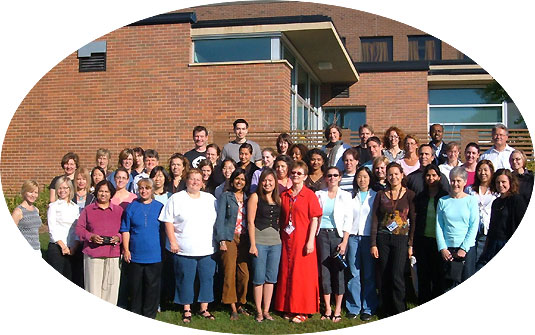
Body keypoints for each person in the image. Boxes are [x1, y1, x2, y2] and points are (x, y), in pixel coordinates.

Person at [159, 169, 218, 323]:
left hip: (207, 248)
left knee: (206, 278)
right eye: (192, 179)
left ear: (202, 182)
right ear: (186, 181)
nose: (195, 182)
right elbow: (168, 221)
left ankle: (204, 308)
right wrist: (172, 241)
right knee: (185, 279)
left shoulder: (210, 199)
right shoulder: (176, 198)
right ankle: (187, 309)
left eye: (198, 179)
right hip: (183, 248)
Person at [274, 160, 322, 323]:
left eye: (299, 173)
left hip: (303, 240)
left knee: (302, 276)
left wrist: (310, 241)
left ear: (305, 176)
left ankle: (302, 310)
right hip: (287, 240)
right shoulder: (284, 195)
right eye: (293, 173)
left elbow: (314, 219)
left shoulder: (310, 195)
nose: (295, 175)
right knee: (287, 273)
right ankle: (287, 306)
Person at [370, 162, 416, 316]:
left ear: (402, 175)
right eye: (390, 174)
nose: (393, 177)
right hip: (383, 239)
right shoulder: (381, 194)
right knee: (384, 274)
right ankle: (385, 309)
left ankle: (399, 309)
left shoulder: (409, 194)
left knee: (397, 275)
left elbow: (414, 220)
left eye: (396, 174)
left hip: (401, 239)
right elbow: (375, 219)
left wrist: (411, 244)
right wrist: (373, 243)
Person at [120, 178, 164, 318]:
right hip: (135, 255)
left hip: (154, 255)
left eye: (147, 188)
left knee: (152, 288)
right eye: (141, 188)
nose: (144, 191)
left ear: (152, 190)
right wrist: (126, 250)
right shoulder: (132, 207)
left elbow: (165, 230)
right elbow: (125, 229)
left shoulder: (160, 207)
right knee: (136, 288)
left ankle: (149, 315)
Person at [315, 166, 353, 323]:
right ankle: (327, 308)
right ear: (325, 178)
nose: (332, 178)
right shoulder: (319, 194)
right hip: (321, 235)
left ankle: (337, 308)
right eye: (329, 175)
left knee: (338, 272)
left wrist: (344, 241)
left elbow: (348, 219)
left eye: (335, 175)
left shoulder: (346, 195)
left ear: (340, 177)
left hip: (338, 235)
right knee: (324, 272)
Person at [76, 180, 123, 304]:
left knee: (111, 290)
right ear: (96, 192)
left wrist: (118, 237)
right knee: (93, 290)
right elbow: (79, 229)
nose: (103, 194)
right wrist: (90, 237)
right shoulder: (88, 210)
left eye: (106, 191)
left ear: (111, 193)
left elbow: (125, 230)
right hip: (93, 254)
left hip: (113, 254)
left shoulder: (119, 211)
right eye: (101, 191)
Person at [214, 168, 250, 320]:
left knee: (244, 274)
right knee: (229, 272)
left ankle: (241, 302)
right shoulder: (226, 196)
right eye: (237, 179)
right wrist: (221, 240)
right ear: (232, 180)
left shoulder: (249, 198)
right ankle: (232, 306)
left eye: (242, 179)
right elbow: (220, 219)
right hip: (229, 237)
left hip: (244, 239)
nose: (239, 181)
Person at [435, 167, 479, 291]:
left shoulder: (471, 200)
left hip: (466, 249)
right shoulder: (443, 201)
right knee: (447, 287)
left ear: (465, 182)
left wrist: (464, 248)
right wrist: (442, 248)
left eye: (459, 181)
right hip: (447, 250)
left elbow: (473, 225)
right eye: (453, 181)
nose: (455, 184)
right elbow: (439, 226)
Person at [344, 166, 378, 321]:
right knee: (353, 273)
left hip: (368, 238)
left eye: (365, 177)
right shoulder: (350, 197)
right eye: (359, 177)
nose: (362, 180)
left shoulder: (376, 196)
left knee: (369, 274)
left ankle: (368, 307)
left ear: (370, 179)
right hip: (353, 238)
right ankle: (353, 306)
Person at [247, 168, 281, 323]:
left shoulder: (278, 199)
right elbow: (250, 222)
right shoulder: (255, 197)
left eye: (270, 181)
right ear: (260, 182)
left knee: (271, 278)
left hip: (275, 243)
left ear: (275, 183)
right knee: (259, 278)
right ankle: (259, 311)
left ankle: (267, 310)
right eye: (264, 181)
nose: (267, 183)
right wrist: (253, 244)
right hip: (259, 242)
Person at [477, 169, 527, 269]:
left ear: (510, 182)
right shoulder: (496, 202)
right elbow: (492, 226)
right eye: (497, 182)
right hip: (493, 244)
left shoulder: (517, 200)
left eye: (503, 182)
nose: (500, 185)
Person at [413, 164, 448, 304]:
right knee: (423, 275)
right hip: (423, 240)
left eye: (434, 175)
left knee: (438, 275)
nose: (431, 178)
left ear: (439, 177)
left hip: (439, 241)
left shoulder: (445, 196)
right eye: (428, 175)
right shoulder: (420, 197)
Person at [47, 176, 81, 283]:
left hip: (72, 248)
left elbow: (77, 228)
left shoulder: (75, 207)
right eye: (60, 188)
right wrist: (63, 246)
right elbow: (52, 230)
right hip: (57, 247)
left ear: (70, 189)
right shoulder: (53, 206)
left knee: (71, 279)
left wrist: (74, 246)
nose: (63, 191)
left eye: (65, 188)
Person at [465, 160, 497, 269]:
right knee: (471, 261)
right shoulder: (469, 189)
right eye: (479, 170)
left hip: (489, 229)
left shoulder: (496, 191)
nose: (482, 173)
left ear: (491, 172)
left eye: (485, 170)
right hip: (472, 229)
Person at [12, 180, 42, 254]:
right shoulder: (18, 211)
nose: (33, 195)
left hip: (37, 249)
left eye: (36, 192)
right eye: (30, 192)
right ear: (24, 192)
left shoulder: (36, 210)